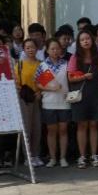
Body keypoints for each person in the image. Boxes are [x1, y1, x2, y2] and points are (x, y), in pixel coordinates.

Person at [68, 29, 98, 168]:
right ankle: (82, 156)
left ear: (92, 40)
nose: (85, 41)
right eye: (82, 40)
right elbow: (70, 78)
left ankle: (94, 155)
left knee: (94, 125)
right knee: (82, 126)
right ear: (79, 43)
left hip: (96, 95)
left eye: (87, 38)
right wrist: (84, 76)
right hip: (80, 96)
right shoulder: (75, 58)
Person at [37, 38, 71, 167]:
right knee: (51, 131)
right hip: (49, 103)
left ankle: (63, 158)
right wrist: (51, 88)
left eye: (57, 48)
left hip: (64, 102)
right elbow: (39, 84)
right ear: (47, 50)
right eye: (52, 48)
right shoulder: (43, 65)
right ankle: (52, 158)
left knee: (63, 130)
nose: (55, 51)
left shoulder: (66, 64)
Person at [15, 38, 44, 168]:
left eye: (32, 47)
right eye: (27, 48)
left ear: (37, 49)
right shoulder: (20, 65)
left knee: (37, 127)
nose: (30, 50)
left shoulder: (42, 64)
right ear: (24, 50)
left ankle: (36, 155)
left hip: (38, 98)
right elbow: (16, 83)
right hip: (25, 99)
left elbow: (47, 82)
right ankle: (28, 156)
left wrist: (40, 92)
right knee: (27, 128)